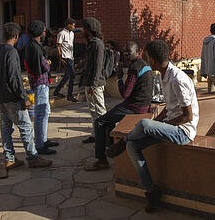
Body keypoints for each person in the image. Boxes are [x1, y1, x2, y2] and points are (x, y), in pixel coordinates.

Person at [106, 39, 199, 213]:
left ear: (154, 61)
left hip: (183, 132)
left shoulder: (178, 79)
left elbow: (188, 116)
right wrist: (158, 123)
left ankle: (123, 141)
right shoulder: (164, 75)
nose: (145, 60)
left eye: (147, 57)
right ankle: (152, 192)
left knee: (143, 123)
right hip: (171, 126)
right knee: (133, 146)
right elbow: (169, 110)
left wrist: (159, 126)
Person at [0, 22, 52, 169]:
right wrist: (23, 97)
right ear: (16, 36)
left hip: (1, 95)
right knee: (25, 127)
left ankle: (9, 158)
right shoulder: (11, 52)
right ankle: (33, 157)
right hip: (12, 96)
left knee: (6, 128)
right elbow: (14, 77)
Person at [84, 41, 154, 171]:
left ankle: (101, 160)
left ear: (138, 52)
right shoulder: (146, 65)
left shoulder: (135, 68)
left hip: (134, 108)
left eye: (129, 53)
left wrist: (119, 78)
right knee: (109, 118)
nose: (126, 55)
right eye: (125, 53)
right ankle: (110, 146)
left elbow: (125, 93)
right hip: (142, 106)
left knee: (99, 122)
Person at [24, 20, 58, 155]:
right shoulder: (35, 47)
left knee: (45, 111)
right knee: (41, 112)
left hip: (39, 82)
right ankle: (40, 144)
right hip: (40, 82)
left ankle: (43, 139)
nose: (45, 32)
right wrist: (48, 62)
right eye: (43, 30)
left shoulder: (31, 45)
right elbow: (44, 66)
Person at [79, 17, 107, 144]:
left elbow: (98, 65)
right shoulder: (91, 43)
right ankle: (95, 134)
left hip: (95, 83)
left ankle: (105, 136)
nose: (82, 31)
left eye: (84, 29)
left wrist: (93, 85)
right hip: (89, 82)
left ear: (89, 30)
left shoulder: (98, 44)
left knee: (100, 110)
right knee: (92, 110)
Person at [52, 18, 78, 102]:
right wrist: (60, 57)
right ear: (68, 25)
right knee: (73, 75)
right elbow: (58, 46)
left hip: (71, 57)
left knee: (67, 76)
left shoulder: (72, 34)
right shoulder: (61, 33)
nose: (74, 27)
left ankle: (56, 91)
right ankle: (69, 95)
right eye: (73, 25)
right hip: (65, 57)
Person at [200, 23, 215, 94]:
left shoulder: (205, 41)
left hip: (208, 70)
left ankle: (209, 104)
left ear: (210, 30)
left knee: (210, 91)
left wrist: (203, 69)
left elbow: (203, 55)